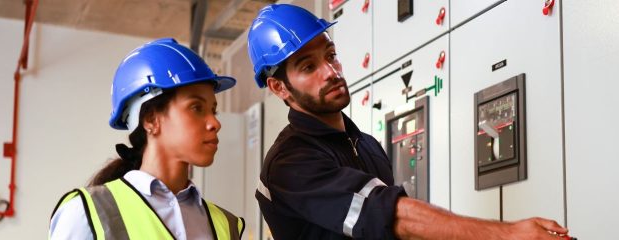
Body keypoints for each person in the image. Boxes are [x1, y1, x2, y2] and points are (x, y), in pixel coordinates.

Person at [248, 4, 572, 240]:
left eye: (330, 56)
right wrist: (507, 234)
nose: (332, 73)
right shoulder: (289, 163)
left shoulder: (367, 145)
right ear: (279, 87)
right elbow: (391, 215)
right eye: (308, 67)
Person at [49, 38, 245, 240]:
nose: (215, 123)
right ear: (151, 119)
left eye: (214, 111)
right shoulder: (86, 214)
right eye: (197, 108)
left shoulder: (225, 225)